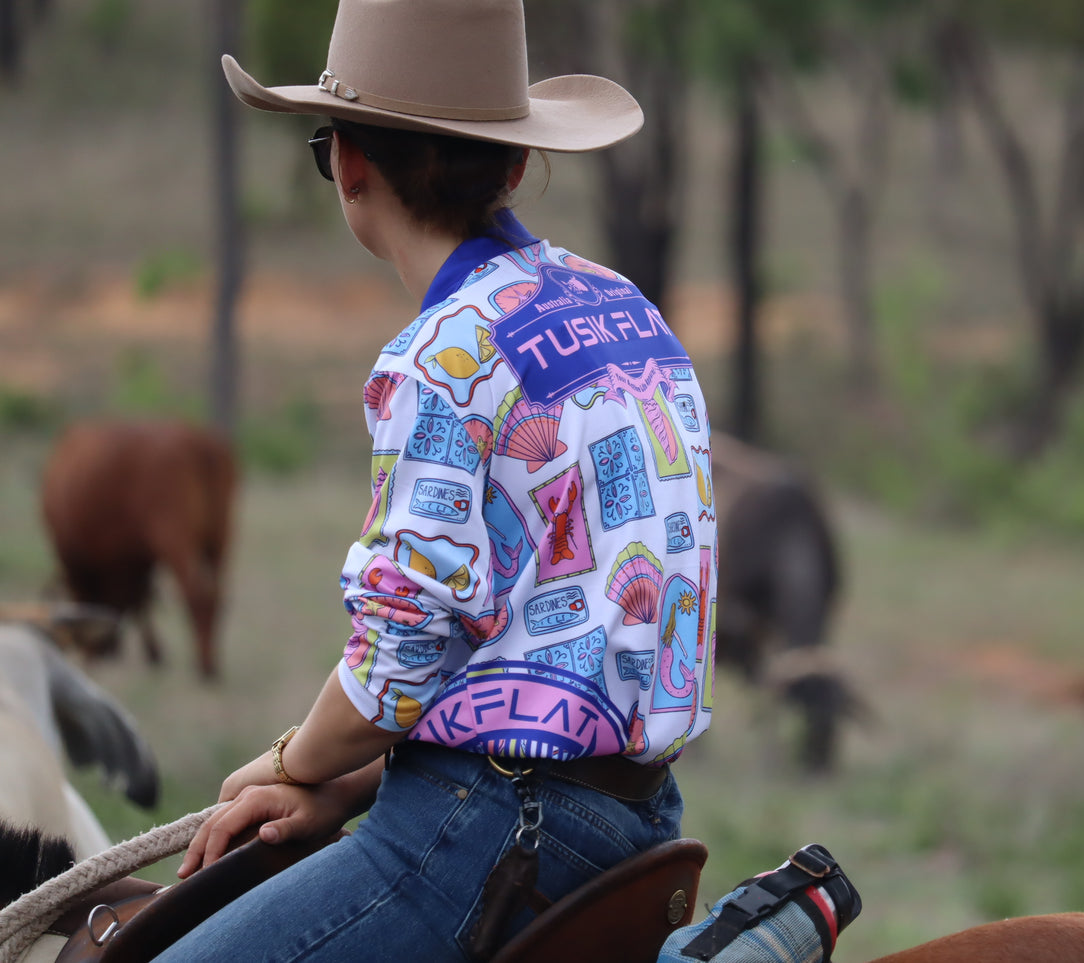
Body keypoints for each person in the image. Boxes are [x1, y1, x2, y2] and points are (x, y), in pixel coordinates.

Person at [155, 1, 718, 959]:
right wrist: (347, 781)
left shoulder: (439, 357)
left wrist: (290, 761)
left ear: (349, 165)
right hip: (639, 817)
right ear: (513, 167)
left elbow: (397, 659)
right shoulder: (623, 309)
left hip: (492, 826)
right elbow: (531, 636)